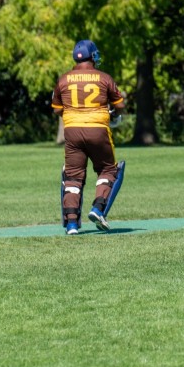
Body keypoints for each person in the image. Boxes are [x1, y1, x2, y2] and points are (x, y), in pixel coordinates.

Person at [52, 39, 127, 234]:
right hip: (98, 129)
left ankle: (71, 224)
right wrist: (113, 114)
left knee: (72, 177)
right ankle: (98, 209)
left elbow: (57, 109)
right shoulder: (104, 78)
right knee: (109, 170)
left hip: (72, 131)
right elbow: (119, 105)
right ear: (92, 56)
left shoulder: (63, 79)